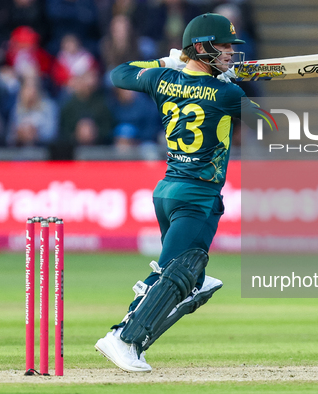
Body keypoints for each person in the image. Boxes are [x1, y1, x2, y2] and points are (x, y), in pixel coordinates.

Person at [94, 13, 259, 372]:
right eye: (224, 45)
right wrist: (241, 89)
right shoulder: (227, 93)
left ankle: (192, 282)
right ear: (201, 48)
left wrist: (165, 61)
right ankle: (123, 337)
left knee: (188, 273)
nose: (231, 52)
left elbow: (118, 73)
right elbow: (271, 120)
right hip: (197, 196)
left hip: (168, 192)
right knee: (171, 272)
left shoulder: (162, 78)